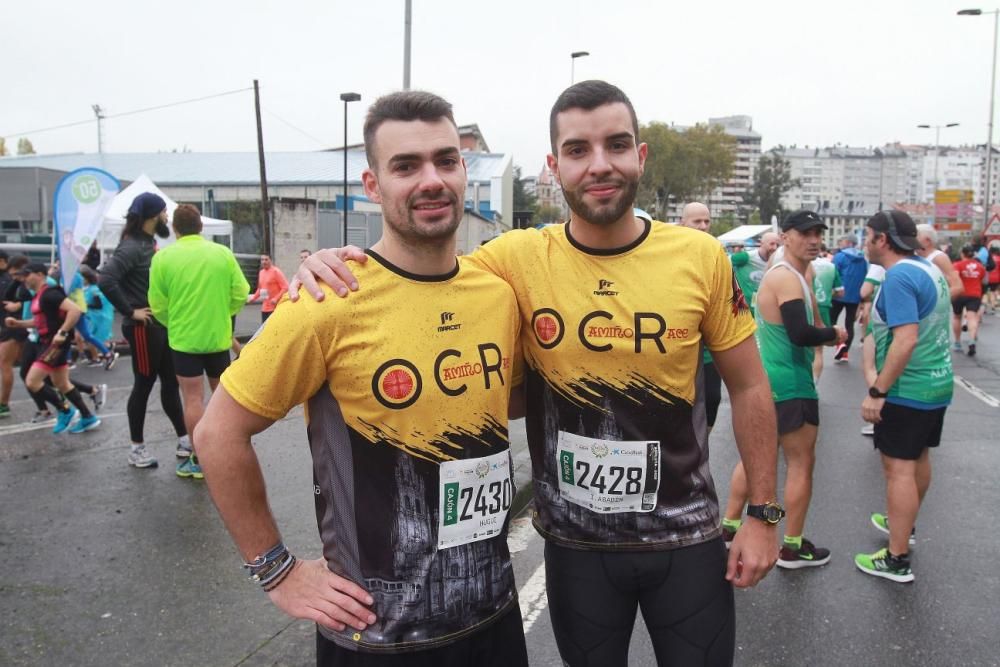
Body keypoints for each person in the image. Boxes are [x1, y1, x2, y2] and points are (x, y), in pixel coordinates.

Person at [293, 80, 782, 666]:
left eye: (616, 145)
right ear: (555, 167)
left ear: (640, 155)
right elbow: (420, 271)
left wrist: (763, 514)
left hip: (686, 538)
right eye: (578, 150)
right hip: (577, 547)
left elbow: (750, 385)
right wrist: (332, 263)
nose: (599, 165)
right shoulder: (514, 259)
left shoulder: (699, 256)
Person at [196, 91, 528, 666]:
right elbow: (216, 434)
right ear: (373, 186)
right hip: (377, 635)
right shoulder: (327, 299)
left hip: (494, 615)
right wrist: (276, 570)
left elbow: (508, 399)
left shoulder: (496, 292)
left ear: (464, 173)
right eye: (406, 166)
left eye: (445, 161)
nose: (431, 179)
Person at [721, 211, 846, 570]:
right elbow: (801, 334)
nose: (813, 239)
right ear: (786, 236)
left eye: (818, 233)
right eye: (804, 233)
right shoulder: (787, 278)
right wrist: (834, 334)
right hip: (791, 384)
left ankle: (729, 527)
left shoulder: (794, 274)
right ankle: (791, 545)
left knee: (755, 458)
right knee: (800, 463)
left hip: (770, 379)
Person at [855, 210, 952, 583]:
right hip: (935, 385)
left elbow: (906, 339)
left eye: (868, 235)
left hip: (906, 389)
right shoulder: (929, 268)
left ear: (883, 239)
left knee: (899, 470)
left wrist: (878, 391)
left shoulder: (900, 276)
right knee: (918, 459)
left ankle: (896, 558)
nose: (865, 242)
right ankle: (904, 525)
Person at [148, 204, 249, 480]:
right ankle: (224, 450)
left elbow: (157, 305)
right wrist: (224, 314)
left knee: (192, 399)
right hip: (217, 338)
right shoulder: (222, 254)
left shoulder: (163, 258)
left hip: (184, 340)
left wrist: (175, 321)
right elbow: (242, 292)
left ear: (175, 229)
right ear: (201, 227)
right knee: (221, 398)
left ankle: (198, 457)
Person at [99, 192, 189, 469]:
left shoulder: (148, 243)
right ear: (153, 215)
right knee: (143, 384)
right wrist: (130, 311)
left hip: (159, 326)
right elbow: (106, 279)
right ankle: (136, 448)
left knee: (171, 383)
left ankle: (184, 439)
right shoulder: (131, 247)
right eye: (163, 212)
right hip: (142, 328)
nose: (166, 217)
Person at [3, 263, 101, 433]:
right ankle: (87, 417)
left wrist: (62, 333)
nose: (24, 279)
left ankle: (65, 410)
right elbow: (41, 321)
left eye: (27, 275)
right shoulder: (38, 296)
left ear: (40, 274)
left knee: (32, 381)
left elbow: (75, 311)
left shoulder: (50, 293)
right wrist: (18, 323)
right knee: (61, 383)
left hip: (54, 343)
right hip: (46, 341)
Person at [680, 202, 724, 434]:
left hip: (708, 353)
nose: (703, 226)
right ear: (682, 223)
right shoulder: (669, 256)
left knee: (713, 401)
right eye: (697, 221)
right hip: (678, 350)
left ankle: (701, 447)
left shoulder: (717, 256)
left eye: (707, 221)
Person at [830, 234, 869, 363]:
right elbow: (865, 276)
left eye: (842, 241)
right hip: (855, 296)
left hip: (839, 294)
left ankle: (839, 343)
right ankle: (845, 352)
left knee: (831, 321)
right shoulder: (863, 259)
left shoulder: (840, 256)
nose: (841, 243)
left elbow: (833, 273)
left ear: (848, 242)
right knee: (849, 324)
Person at [0, 253, 28, 418]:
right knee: (32, 367)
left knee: (5, 363)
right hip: (12, 325)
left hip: (14, 326)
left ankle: (3, 404)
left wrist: (16, 306)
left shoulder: (7, 280)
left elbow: (11, 302)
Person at [811, 245, 844, 381]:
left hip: (803, 305)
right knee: (818, 350)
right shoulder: (830, 266)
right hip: (823, 307)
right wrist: (830, 295)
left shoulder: (800, 264)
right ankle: (815, 383)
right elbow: (841, 292)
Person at [730, 231, 780, 311]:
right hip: (743, 309)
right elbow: (724, 263)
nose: (775, 248)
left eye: (778, 245)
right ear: (761, 243)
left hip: (762, 306)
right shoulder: (746, 257)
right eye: (772, 244)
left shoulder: (778, 261)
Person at [951, 244, 986, 356]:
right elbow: (983, 280)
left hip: (959, 294)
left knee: (957, 316)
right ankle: (972, 340)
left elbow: (954, 277)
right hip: (974, 294)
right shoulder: (980, 266)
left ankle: (957, 342)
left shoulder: (957, 265)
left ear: (962, 254)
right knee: (972, 317)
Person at [914, 224, 964, 301]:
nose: (912, 239)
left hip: (934, 310)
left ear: (927, 241)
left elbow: (957, 287)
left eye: (916, 236)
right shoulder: (914, 257)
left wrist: (934, 302)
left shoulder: (939, 257)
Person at [246, 254, 288, 323]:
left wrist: (276, 298)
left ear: (270, 260)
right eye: (262, 260)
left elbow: (285, 287)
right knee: (264, 329)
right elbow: (260, 288)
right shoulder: (261, 272)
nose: (264, 262)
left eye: (266, 259)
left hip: (274, 307)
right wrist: (253, 298)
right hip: (264, 308)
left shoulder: (276, 271)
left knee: (274, 330)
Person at [986, 243, 1000, 314]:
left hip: (988, 277)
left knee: (986, 292)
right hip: (996, 278)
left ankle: (984, 307)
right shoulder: (999, 259)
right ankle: (993, 305)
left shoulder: (988, 258)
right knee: (993, 291)